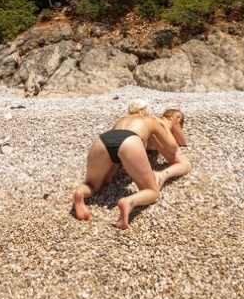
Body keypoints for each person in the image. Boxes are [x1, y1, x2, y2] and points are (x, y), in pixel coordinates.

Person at [73, 98, 180, 229]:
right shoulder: (150, 120)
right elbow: (173, 147)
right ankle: (128, 202)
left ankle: (80, 193)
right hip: (130, 140)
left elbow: (115, 150)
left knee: (92, 185)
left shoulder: (122, 119)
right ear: (147, 110)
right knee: (152, 191)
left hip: (105, 139)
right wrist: (167, 128)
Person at [149, 108, 192, 190]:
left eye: (181, 119)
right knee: (186, 164)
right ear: (170, 115)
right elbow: (183, 141)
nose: (179, 120)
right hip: (157, 134)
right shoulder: (172, 121)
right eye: (178, 116)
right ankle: (161, 175)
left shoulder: (157, 120)